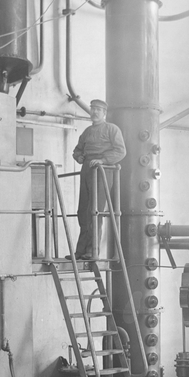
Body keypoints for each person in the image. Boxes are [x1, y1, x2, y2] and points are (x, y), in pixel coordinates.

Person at [72, 99, 126, 259]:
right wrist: (79, 157)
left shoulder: (112, 129)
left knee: (95, 211)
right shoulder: (87, 132)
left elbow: (120, 151)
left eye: (98, 109)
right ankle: (80, 251)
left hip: (102, 170)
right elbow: (77, 150)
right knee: (83, 211)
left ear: (104, 113)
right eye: (93, 109)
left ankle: (92, 250)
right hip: (86, 169)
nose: (95, 112)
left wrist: (103, 160)